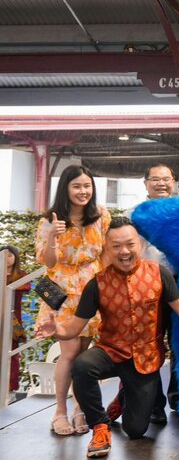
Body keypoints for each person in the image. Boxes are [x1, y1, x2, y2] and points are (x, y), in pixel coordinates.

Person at [35, 217, 179, 459]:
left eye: (130, 244)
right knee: (82, 366)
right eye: (116, 246)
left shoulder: (159, 274)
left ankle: (123, 398)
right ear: (107, 248)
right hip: (111, 351)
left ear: (140, 245)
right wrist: (57, 330)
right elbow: (74, 328)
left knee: (135, 430)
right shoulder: (97, 284)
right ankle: (100, 427)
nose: (124, 251)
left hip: (145, 360)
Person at [35, 165, 111, 436]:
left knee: (83, 356)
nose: (83, 191)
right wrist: (54, 236)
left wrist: (106, 286)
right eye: (77, 186)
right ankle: (59, 411)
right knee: (68, 353)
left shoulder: (101, 215)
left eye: (87, 186)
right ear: (65, 188)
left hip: (91, 289)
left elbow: (105, 254)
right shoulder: (48, 220)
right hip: (62, 291)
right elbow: (47, 262)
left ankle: (80, 408)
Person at [108, 164, 179, 426]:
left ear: (174, 182)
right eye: (156, 179)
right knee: (149, 347)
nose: (161, 184)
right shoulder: (132, 216)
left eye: (166, 179)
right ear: (145, 183)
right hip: (144, 285)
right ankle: (154, 405)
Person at [2, 245, 30, 399]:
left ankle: (11, 388)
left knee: (12, 353)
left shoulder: (20, 275)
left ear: (15, 257)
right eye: (5, 255)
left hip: (13, 320)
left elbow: (26, 286)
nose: (8, 258)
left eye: (11, 255)